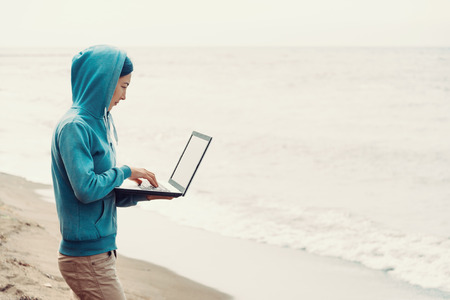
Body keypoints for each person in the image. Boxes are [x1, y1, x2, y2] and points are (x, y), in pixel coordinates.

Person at [51, 45, 171, 300]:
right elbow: (86, 190)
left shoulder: (101, 122)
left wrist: (148, 195)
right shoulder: (75, 126)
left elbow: (103, 193)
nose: (125, 96)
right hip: (86, 257)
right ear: (102, 82)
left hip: (99, 252)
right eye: (124, 86)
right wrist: (126, 170)